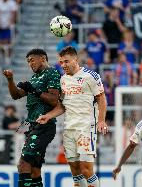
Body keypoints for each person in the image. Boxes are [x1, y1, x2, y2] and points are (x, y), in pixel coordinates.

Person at [36, 46, 108, 187]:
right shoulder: (63, 80)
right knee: (75, 171)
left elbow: (101, 98)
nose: (63, 65)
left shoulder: (90, 76)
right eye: (61, 62)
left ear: (76, 59)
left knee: (86, 169)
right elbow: (62, 105)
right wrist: (48, 116)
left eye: (66, 61)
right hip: (69, 129)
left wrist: (101, 120)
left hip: (85, 128)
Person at [2, 48, 61, 187]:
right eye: (28, 62)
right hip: (33, 125)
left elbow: (54, 100)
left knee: (23, 164)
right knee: (34, 171)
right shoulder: (34, 78)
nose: (30, 64)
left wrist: (33, 90)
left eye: (32, 60)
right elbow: (16, 95)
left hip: (44, 125)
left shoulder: (51, 73)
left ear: (43, 58)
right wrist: (10, 79)